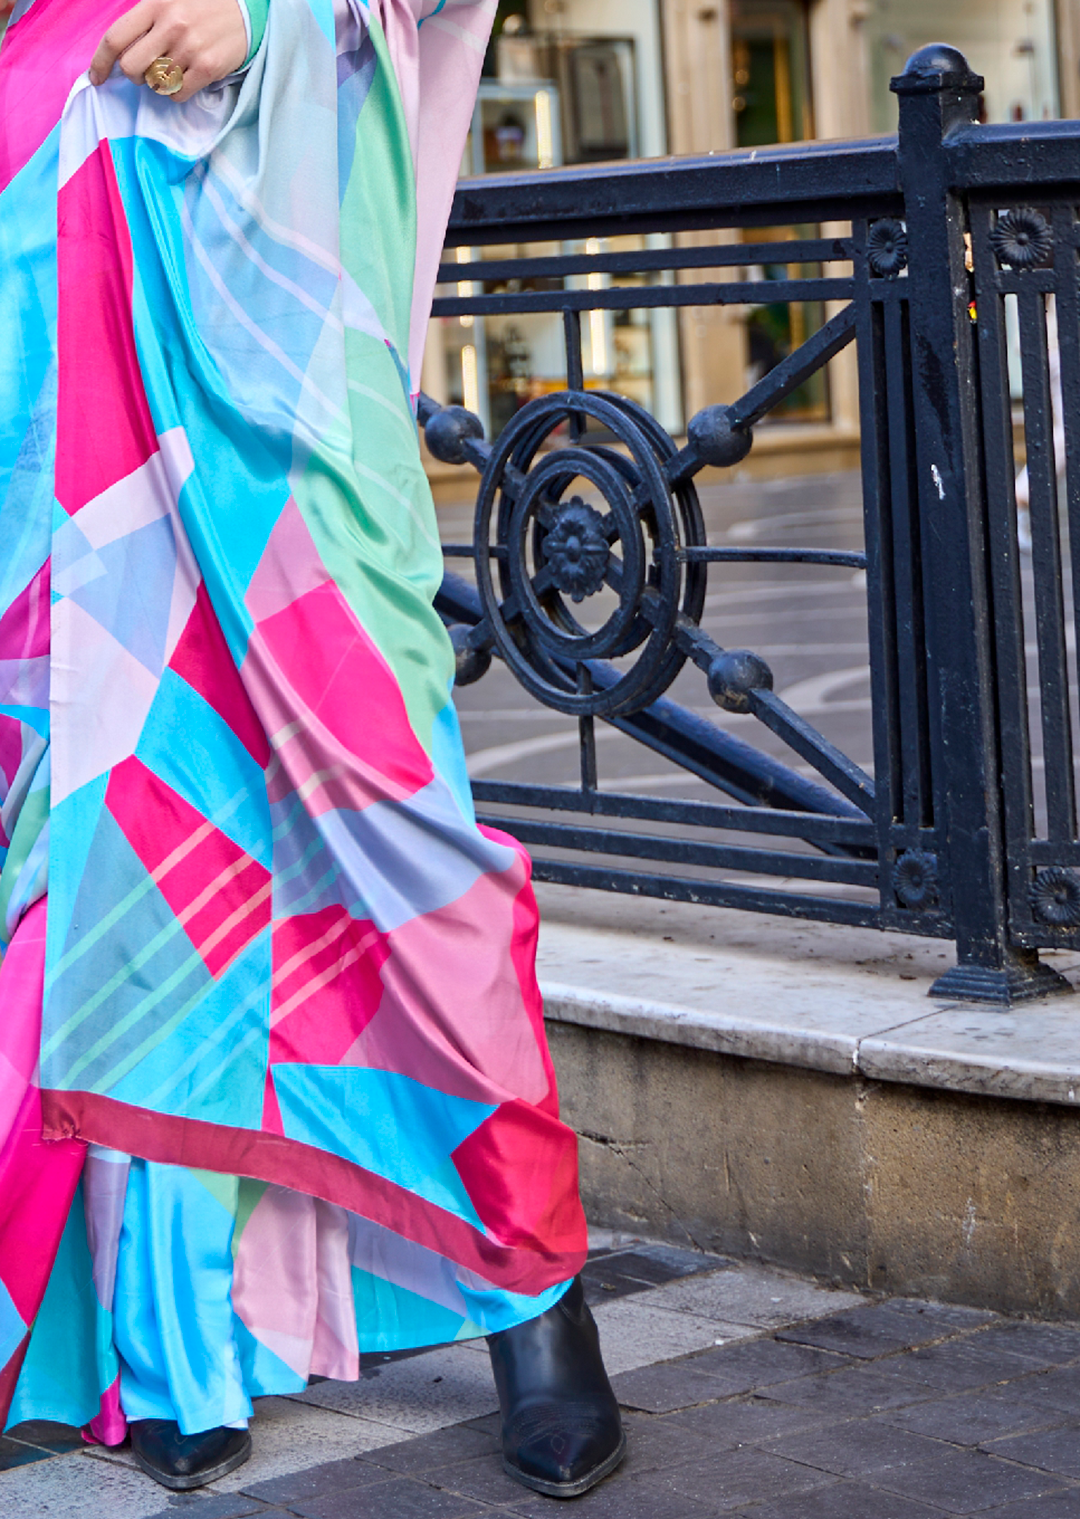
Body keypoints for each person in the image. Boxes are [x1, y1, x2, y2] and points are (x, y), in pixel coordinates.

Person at [0, 0, 624, 1500]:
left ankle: (537, 1292)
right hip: (61, 209)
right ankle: (172, 1344)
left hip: (284, 264)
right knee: (120, 793)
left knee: (391, 793)